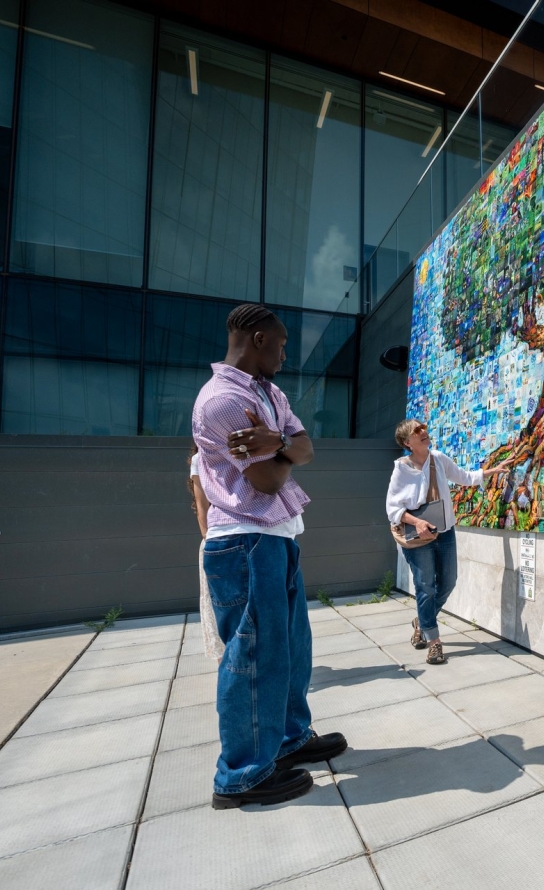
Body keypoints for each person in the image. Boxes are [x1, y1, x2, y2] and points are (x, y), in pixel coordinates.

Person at [192, 303, 347, 810]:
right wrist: (285, 449)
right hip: (244, 539)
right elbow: (266, 479)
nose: (285, 353)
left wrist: (278, 439)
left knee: (290, 649)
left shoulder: (269, 393)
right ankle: (240, 775)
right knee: (253, 656)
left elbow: (305, 449)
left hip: (276, 535)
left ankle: (287, 740)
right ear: (258, 338)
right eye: (280, 344)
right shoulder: (222, 402)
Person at [385, 419, 509, 665]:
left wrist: (491, 471)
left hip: (445, 532)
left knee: (448, 582)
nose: (423, 432)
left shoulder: (439, 459)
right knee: (425, 587)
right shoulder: (401, 469)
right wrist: (417, 522)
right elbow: (392, 509)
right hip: (418, 535)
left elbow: (464, 477)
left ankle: (422, 620)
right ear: (407, 442)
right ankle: (434, 642)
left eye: (423, 428)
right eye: (416, 431)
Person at [187, 444, 223, 660]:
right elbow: (203, 509)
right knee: (216, 601)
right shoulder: (201, 459)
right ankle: (226, 663)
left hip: (221, 538)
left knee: (219, 601)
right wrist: (211, 543)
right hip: (216, 539)